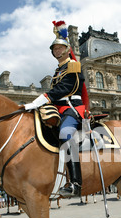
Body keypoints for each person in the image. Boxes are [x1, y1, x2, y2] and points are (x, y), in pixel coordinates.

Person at [23, 21, 87, 198]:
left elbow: (65, 89)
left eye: (60, 48)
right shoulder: (57, 71)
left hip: (71, 108)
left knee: (66, 134)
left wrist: (36, 102)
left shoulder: (73, 66)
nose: (57, 51)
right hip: (57, 108)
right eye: (54, 49)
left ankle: (75, 183)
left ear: (67, 50)